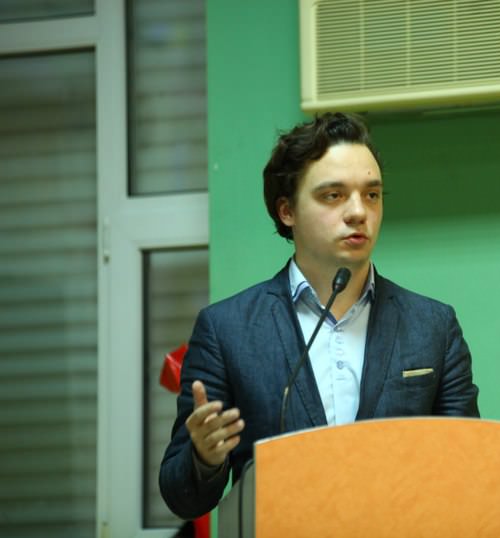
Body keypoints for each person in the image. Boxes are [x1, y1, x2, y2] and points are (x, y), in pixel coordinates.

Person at [159, 112, 480, 520]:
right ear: (287, 211)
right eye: (333, 195)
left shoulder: (432, 326)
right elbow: (180, 496)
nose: (358, 212)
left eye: (372, 195)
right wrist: (205, 458)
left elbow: (468, 467)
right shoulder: (227, 330)